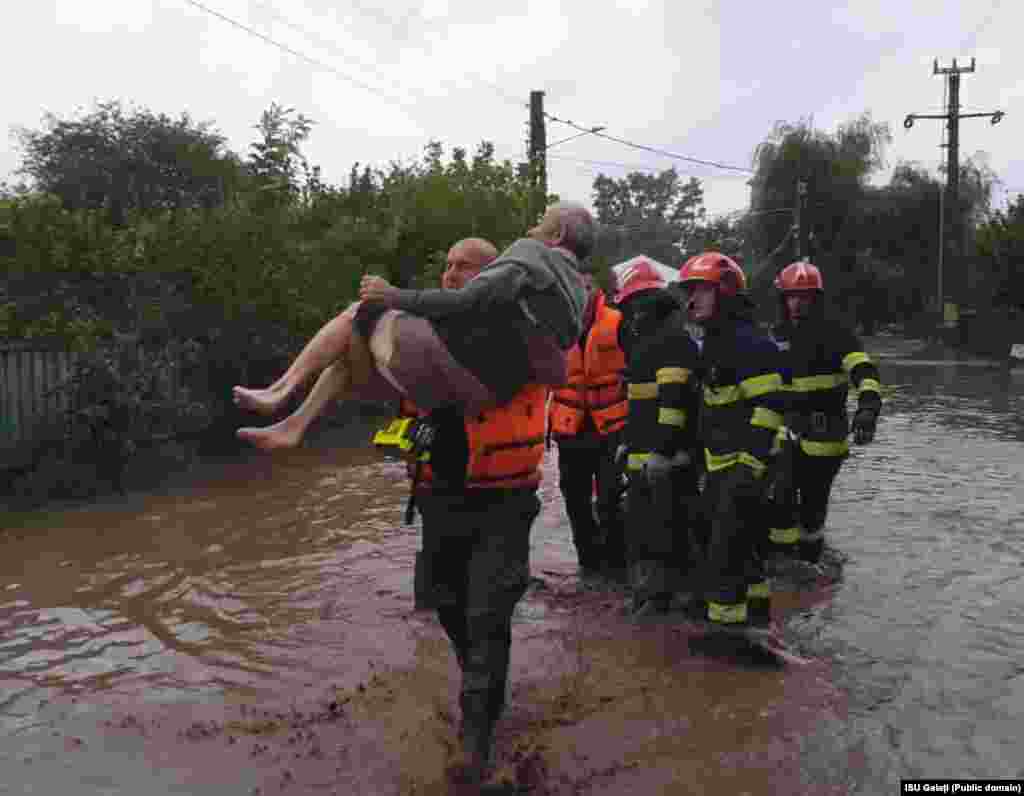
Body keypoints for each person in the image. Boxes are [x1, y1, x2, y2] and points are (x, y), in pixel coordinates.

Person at [232, 202, 592, 449]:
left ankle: (281, 390)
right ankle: (292, 423)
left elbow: (464, 302)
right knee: (351, 339)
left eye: (541, 220)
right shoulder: (575, 292)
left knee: (362, 308)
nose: (531, 227)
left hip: (459, 403)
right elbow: (556, 369)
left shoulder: (530, 255)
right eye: (447, 266)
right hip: (477, 407)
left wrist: (391, 294)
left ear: (556, 233)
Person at [399, 384, 549, 783]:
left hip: (505, 499)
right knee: (447, 605)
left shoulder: (525, 331)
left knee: (487, 612)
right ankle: (483, 683)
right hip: (440, 497)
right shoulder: (415, 340)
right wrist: (408, 432)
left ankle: (476, 735)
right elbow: (402, 405)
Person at [679, 251, 787, 638]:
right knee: (738, 544)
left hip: (746, 465)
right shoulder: (716, 341)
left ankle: (727, 631)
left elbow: (772, 406)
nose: (692, 300)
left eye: (701, 290)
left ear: (725, 292)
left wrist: (750, 467)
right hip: (722, 464)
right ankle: (757, 614)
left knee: (726, 549)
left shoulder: (749, 343)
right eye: (689, 291)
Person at [390, 238, 497, 610]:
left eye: (462, 266)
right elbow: (405, 404)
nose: (450, 275)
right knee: (439, 583)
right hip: (436, 477)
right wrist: (407, 454)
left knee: (485, 588)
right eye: (447, 266)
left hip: (495, 484)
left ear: (488, 276)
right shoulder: (420, 327)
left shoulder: (503, 329)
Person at [767, 260, 882, 565]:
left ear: (816, 299)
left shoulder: (836, 334)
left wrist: (868, 410)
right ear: (783, 299)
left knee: (812, 507)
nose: (797, 303)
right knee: (780, 498)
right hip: (786, 431)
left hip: (825, 434)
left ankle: (811, 565)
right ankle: (783, 567)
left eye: (804, 297)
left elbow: (864, 371)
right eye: (791, 296)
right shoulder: (776, 336)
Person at [614, 259, 702, 616]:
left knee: (665, 531)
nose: (632, 318)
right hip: (645, 458)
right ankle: (652, 597)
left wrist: (663, 453)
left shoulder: (672, 345)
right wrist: (625, 441)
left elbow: (673, 404)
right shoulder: (647, 348)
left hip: (665, 462)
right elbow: (640, 407)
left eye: (637, 311)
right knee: (644, 531)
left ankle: (664, 601)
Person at [547, 265, 628, 577]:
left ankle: (616, 563)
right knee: (575, 499)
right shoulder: (554, 326)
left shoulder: (618, 322)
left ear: (596, 287)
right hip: (570, 428)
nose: (578, 292)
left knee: (610, 498)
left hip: (611, 426)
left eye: (585, 285)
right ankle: (588, 564)